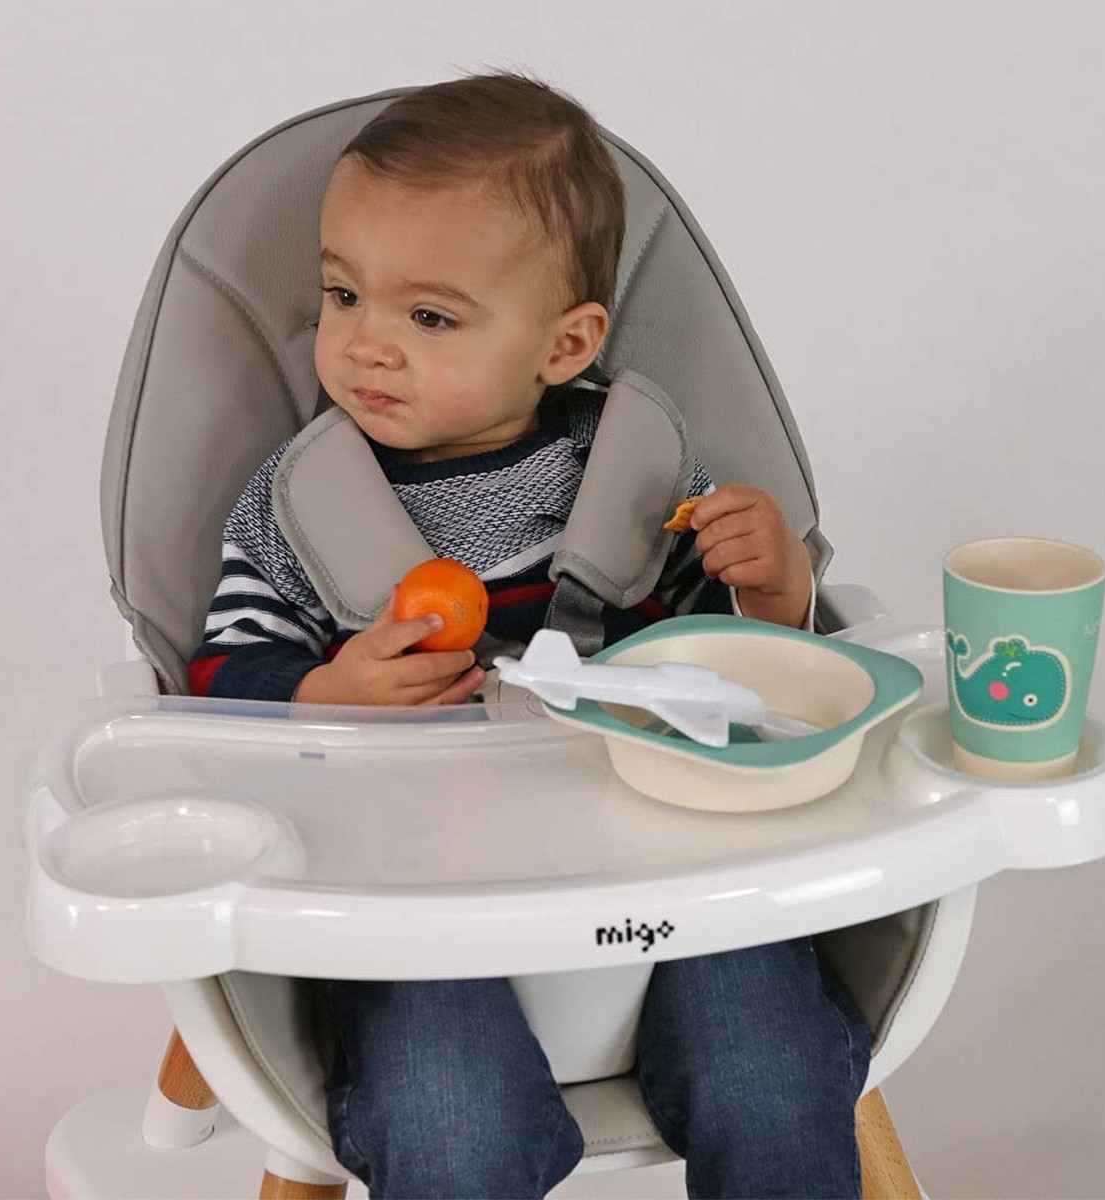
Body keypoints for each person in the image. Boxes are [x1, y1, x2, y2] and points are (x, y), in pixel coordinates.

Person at [191, 72, 870, 1199]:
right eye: (343, 295)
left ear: (566, 344)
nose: (366, 345)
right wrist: (324, 694)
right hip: (415, 895)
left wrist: (775, 592)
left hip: (667, 865)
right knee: (450, 1124)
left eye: (429, 317)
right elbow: (214, 672)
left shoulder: (637, 471)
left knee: (773, 1075)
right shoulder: (301, 503)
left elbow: (731, 681)